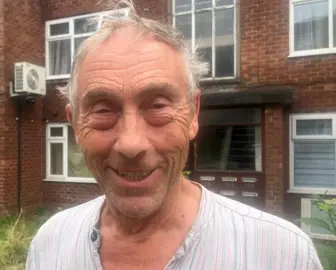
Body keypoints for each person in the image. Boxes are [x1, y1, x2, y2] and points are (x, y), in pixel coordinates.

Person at [26, 1, 323, 269]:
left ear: (193, 114)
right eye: (103, 110)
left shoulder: (283, 255)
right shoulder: (50, 245)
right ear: (75, 124)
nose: (132, 144)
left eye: (157, 106)